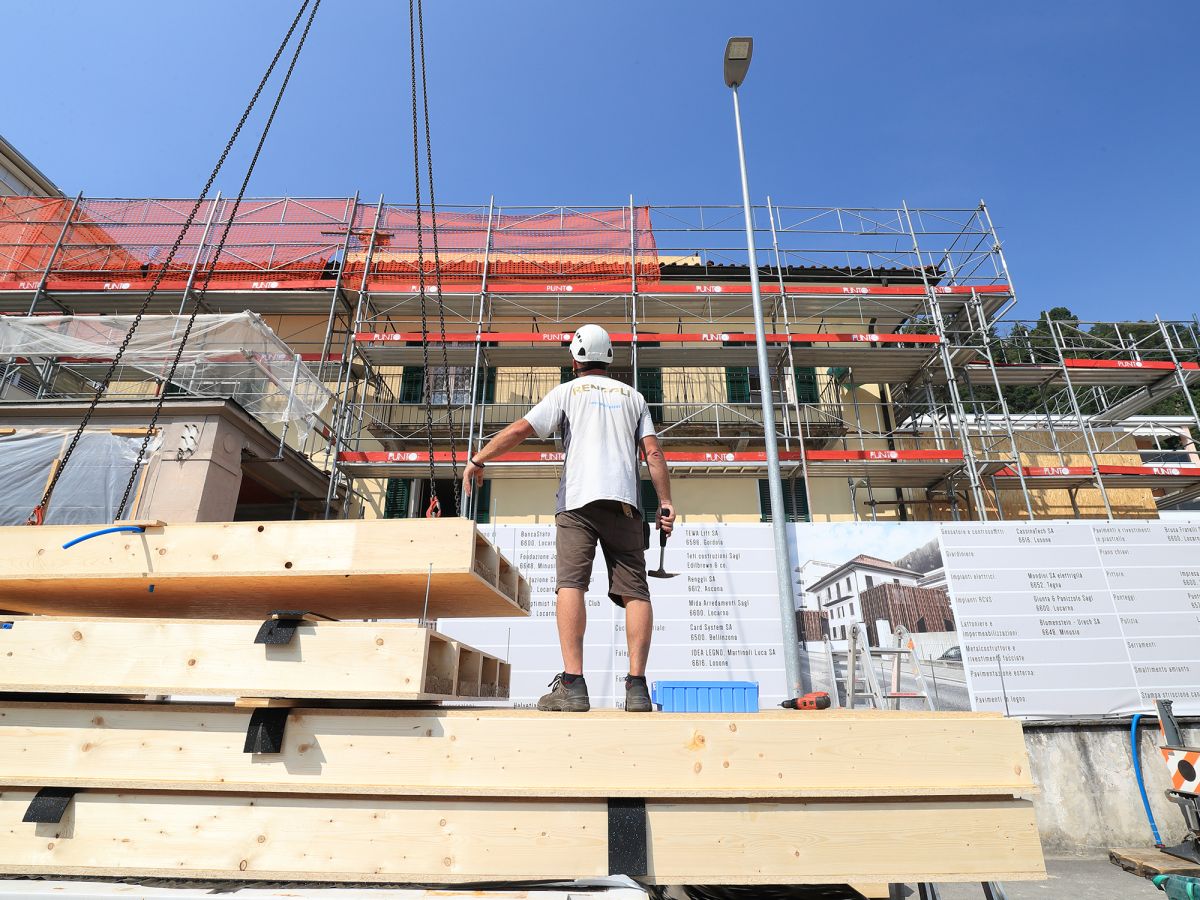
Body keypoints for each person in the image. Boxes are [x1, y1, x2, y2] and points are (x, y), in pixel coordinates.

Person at [462, 323, 675, 713]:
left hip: (577, 502)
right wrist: (664, 502)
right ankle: (638, 688)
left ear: (574, 358)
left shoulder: (567, 392)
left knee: (571, 584)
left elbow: (521, 429)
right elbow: (654, 454)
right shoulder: (635, 397)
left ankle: (573, 686)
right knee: (636, 591)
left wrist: (479, 458)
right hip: (626, 503)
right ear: (609, 357)